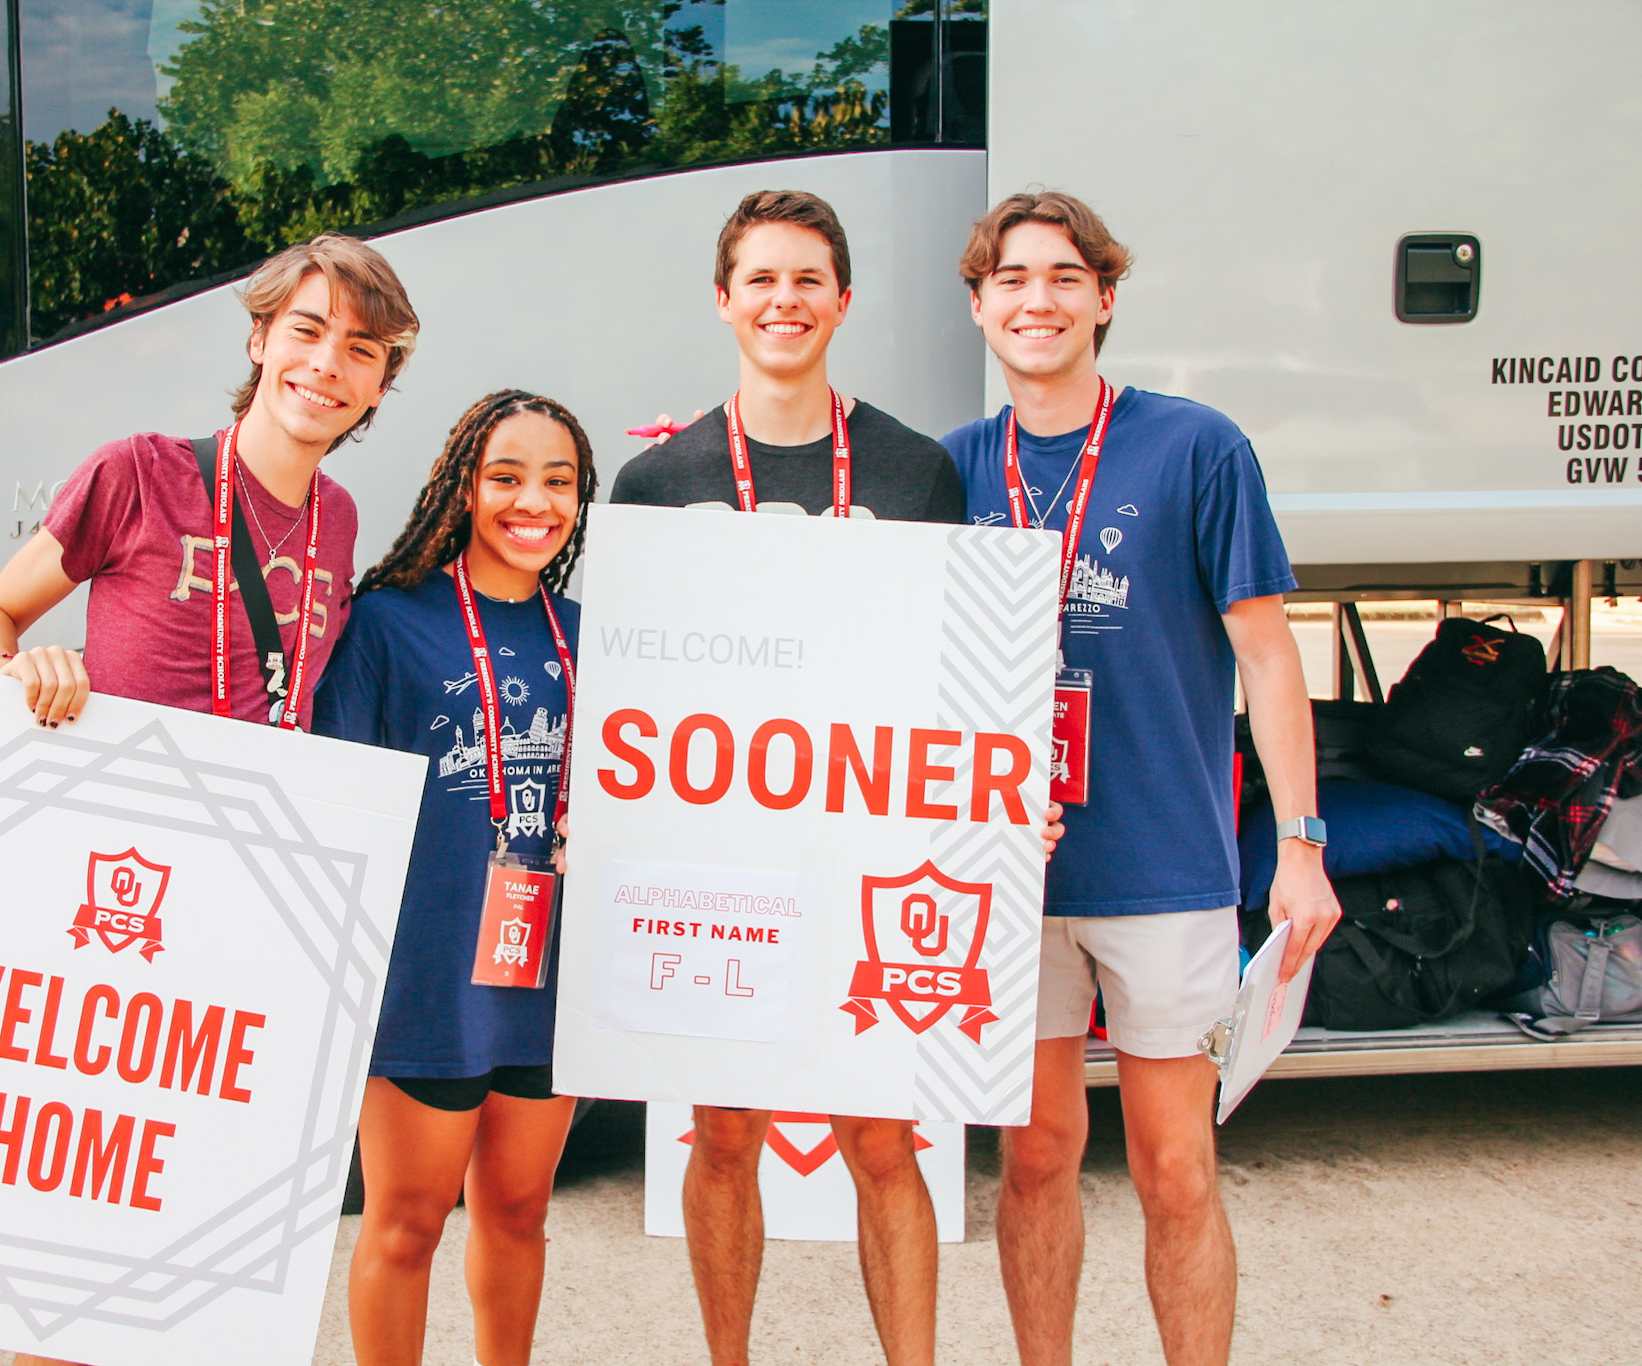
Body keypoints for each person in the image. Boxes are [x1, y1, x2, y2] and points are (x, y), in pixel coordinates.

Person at [0, 233, 420, 1366]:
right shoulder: (139, 471)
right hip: (115, 896)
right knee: (75, 1235)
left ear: (378, 381)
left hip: (248, 904)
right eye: (305, 332)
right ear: (260, 339)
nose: (327, 364)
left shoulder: (341, 518)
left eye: (361, 350)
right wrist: (17, 673)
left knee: (199, 1235)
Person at [612, 189, 1061, 1366]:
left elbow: (966, 673)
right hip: (728, 864)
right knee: (723, 1133)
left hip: (872, 853)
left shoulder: (915, 469)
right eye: (759, 279)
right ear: (723, 301)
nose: (784, 300)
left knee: (880, 1139)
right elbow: (632, 694)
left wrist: (1003, 806)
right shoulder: (657, 483)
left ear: (843, 301)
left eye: (808, 279)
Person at [939, 192, 1341, 1366]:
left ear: (1103, 298)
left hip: (1163, 863)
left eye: (1064, 278)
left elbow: (1267, 656)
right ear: (977, 307)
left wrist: (1300, 845)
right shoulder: (952, 466)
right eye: (1010, 279)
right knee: (1032, 1156)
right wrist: (696, 482)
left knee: (1173, 1168)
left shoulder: (1193, 444)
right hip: (1010, 874)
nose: (1037, 300)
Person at [314, 390, 596, 1366]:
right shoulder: (388, 623)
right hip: (424, 973)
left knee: (517, 1215)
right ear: (463, 487)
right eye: (507, 476)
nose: (534, 501)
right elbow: (331, 797)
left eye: (557, 481)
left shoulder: (588, 632)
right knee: (405, 1223)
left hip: (551, 976)